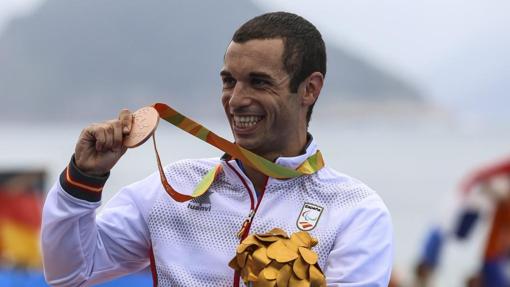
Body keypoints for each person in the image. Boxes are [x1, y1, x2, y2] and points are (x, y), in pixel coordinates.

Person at [41, 12, 393, 286]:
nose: (236, 100)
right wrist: (83, 179)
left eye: (259, 82)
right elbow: (71, 273)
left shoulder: (354, 211)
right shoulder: (171, 189)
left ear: (309, 89)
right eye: (229, 81)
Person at [415, 157, 510, 287]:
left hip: (470, 202)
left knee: (443, 229)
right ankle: (426, 271)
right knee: (443, 229)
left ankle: (426, 270)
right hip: (470, 201)